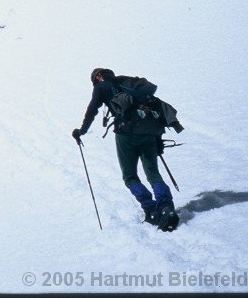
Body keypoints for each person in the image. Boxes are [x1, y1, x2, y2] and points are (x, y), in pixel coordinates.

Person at [71, 67, 183, 229]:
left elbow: (92, 110)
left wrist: (81, 131)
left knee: (129, 176)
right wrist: (156, 139)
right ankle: (166, 207)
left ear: (99, 77)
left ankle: (151, 209)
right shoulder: (128, 84)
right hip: (150, 132)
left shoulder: (101, 87)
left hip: (126, 134)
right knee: (153, 173)